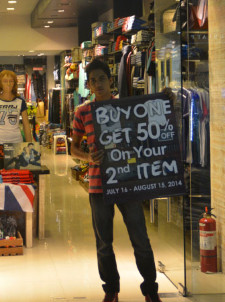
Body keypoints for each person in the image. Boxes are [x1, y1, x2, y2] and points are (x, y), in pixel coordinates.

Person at [70, 58, 161, 302]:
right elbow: (73, 148)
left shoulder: (126, 107)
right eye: (93, 81)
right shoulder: (83, 112)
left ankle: (151, 289)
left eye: (102, 78)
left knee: (140, 238)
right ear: (89, 85)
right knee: (103, 242)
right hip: (98, 185)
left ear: (110, 80)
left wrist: (165, 101)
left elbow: (150, 126)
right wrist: (88, 157)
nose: (98, 84)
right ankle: (111, 290)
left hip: (127, 182)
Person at [0, 70, 32, 169]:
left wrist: (30, 146)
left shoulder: (20, 101)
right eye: (5, 81)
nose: (8, 84)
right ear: (0, 83)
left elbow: (26, 125)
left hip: (17, 143)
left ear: (14, 83)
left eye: (11, 81)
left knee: (16, 175)